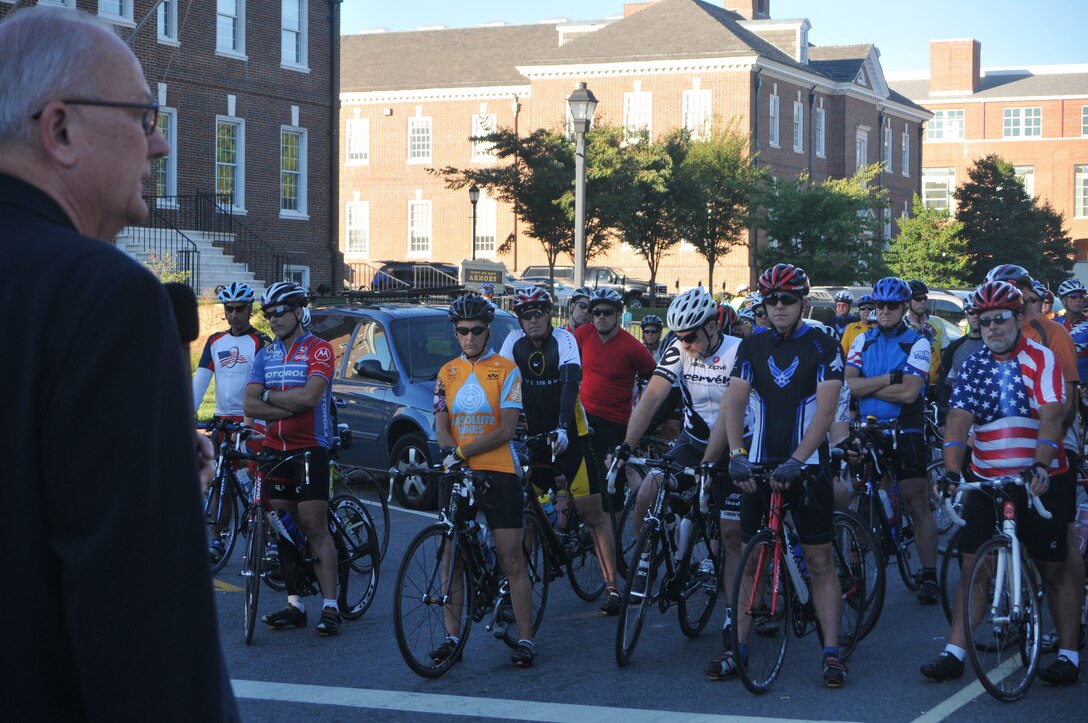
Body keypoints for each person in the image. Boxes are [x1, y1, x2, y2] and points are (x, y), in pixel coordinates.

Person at [0, 7, 237, 718]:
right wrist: (153, 495)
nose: (159, 144)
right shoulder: (108, 298)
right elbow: (148, 637)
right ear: (61, 129)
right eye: (142, 115)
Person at [921, 281, 1081, 686]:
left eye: (1000, 319)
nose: (992, 327)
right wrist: (953, 472)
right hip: (988, 476)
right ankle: (954, 650)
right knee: (974, 565)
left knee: (1054, 568)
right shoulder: (974, 364)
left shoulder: (1040, 357)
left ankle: (1068, 652)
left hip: (1041, 476)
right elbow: (958, 421)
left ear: (1019, 318)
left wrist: (1040, 465)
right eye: (984, 320)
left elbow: (1052, 414)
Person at [704, 263, 849, 688]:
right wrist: (735, 454)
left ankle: (832, 652)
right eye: (772, 300)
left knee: (820, 561)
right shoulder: (753, 346)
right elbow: (734, 404)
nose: (779, 307)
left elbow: (825, 411)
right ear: (763, 304)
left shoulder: (823, 344)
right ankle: (738, 650)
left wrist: (799, 459)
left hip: (808, 466)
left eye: (787, 300)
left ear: (803, 302)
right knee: (748, 558)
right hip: (762, 464)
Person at [613, 287, 743, 649]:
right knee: (649, 490)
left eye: (690, 336)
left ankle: (734, 613)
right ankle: (650, 559)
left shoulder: (737, 352)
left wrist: (706, 466)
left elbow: (728, 416)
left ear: (713, 326)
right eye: (678, 337)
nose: (683, 344)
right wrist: (627, 445)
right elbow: (653, 395)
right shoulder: (677, 349)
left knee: (731, 534)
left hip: (735, 445)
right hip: (694, 440)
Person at [499, 288, 620, 614]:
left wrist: (564, 428)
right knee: (526, 511)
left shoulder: (564, 341)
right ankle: (520, 587)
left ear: (549, 314)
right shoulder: (512, 343)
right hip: (534, 435)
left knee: (593, 513)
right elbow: (500, 388)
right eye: (526, 314)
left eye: (539, 312)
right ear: (519, 319)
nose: (533, 319)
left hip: (571, 434)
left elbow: (570, 384)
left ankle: (611, 588)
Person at [433, 293, 538, 667]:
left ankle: (525, 639)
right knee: (452, 556)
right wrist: (450, 453)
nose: (470, 338)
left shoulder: (507, 371)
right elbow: (441, 423)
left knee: (511, 558)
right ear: (455, 333)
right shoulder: (446, 373)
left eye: (477, 331)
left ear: (488, 330)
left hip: (498, 470)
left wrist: (462, 452)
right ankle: (451, 639)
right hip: (458, 471)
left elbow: (507, 430)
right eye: (462, 331)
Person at [244, 282, 342, 636]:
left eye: (280, 313)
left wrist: (270, 397)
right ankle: (295, 603)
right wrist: (284, 399)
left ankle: (331, 606)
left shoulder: (319, 350)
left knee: (315, 526)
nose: (274, 320)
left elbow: (310, 399)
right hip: (275, 448)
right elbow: (249, 404)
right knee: (282, 527)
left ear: (299, 312)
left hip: (310, 446)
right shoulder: (265, 354)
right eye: (269, 315)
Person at [844, 277, 940, 604]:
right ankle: (856, 573)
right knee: (861, 500)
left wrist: (867, 385)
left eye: (892, 306)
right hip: (868, 428)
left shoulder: (918, 341)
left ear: (903, 308)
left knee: (916, 498)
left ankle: (929, 574)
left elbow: (910, 392)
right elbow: (848, 387)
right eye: (879, 305)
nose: (884, 311)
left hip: (906, 428)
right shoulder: (862, 340)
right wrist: (887, 380)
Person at [573, 289, 657, 513]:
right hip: (584, 418)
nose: (601, 316)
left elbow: (656, 379)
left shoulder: (633, 347)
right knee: (580, 478)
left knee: (610, 487)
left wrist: (646, 411)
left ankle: (614, 542)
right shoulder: (583, 334)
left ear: (618, 315)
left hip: (614, 424)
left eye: (607, 312)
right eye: (596, 311)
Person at [937, 297, 983, 410]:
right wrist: (946, 411)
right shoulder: (954, 347)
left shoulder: (996, 346)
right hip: (961, 408)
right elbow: (943, 383)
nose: (975, 316)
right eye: (971, 312)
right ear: (966, 314)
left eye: (979, 312)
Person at [904, 280, 945, 381]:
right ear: (908, 302)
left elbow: (945, 352)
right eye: (918, 299)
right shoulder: (902, 325)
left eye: (925, 298)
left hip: (934, 383)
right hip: (910, 382)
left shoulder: (938, 322)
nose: (923, 302)